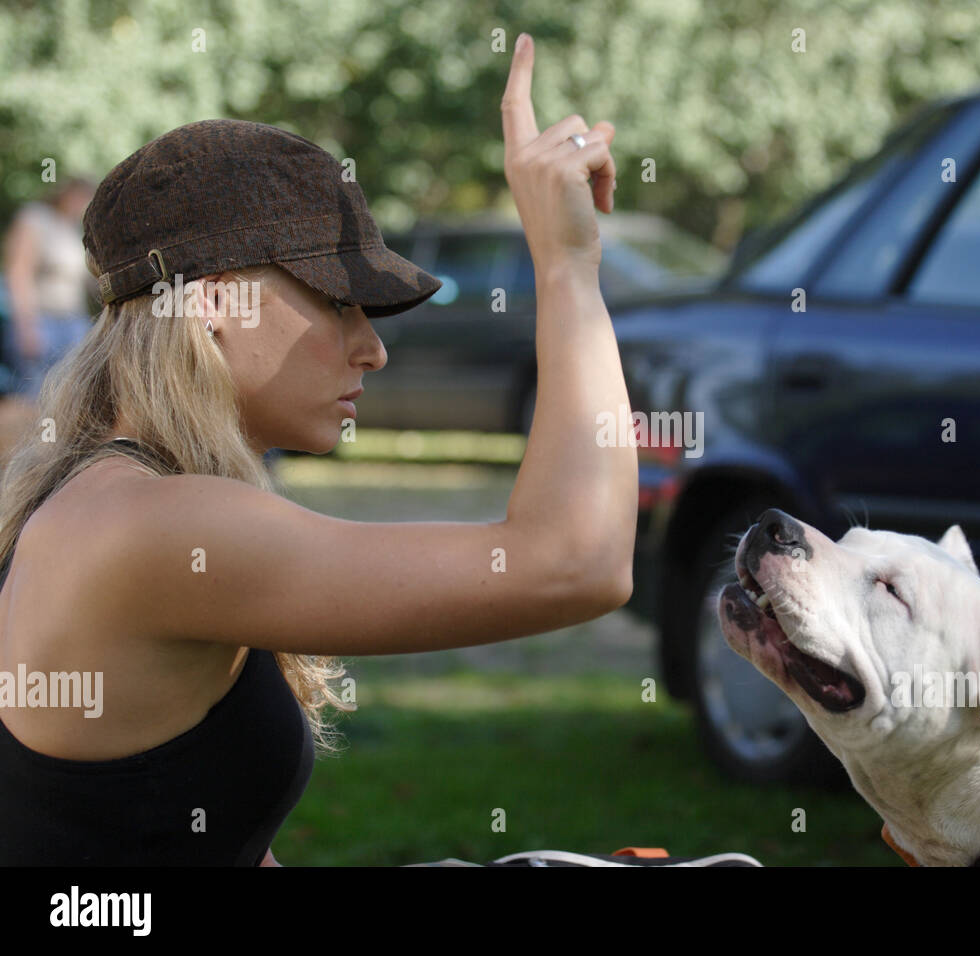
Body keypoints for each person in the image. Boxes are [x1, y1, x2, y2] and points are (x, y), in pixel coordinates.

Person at [0, 31, 635, 865]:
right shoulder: (158, 527)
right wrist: (566, 265)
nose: (371, 348)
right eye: (339, 302)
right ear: (216, 302)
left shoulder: (114, 493)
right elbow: (575, 563)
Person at [1, 176, 99, 404]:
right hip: (41, 321)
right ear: (67, 193)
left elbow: (85, 279)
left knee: (70, 395)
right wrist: (25, 326)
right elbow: (18, 272)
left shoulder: (72, 228)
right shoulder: (35, 219)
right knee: (33, 393)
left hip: (73, 322)